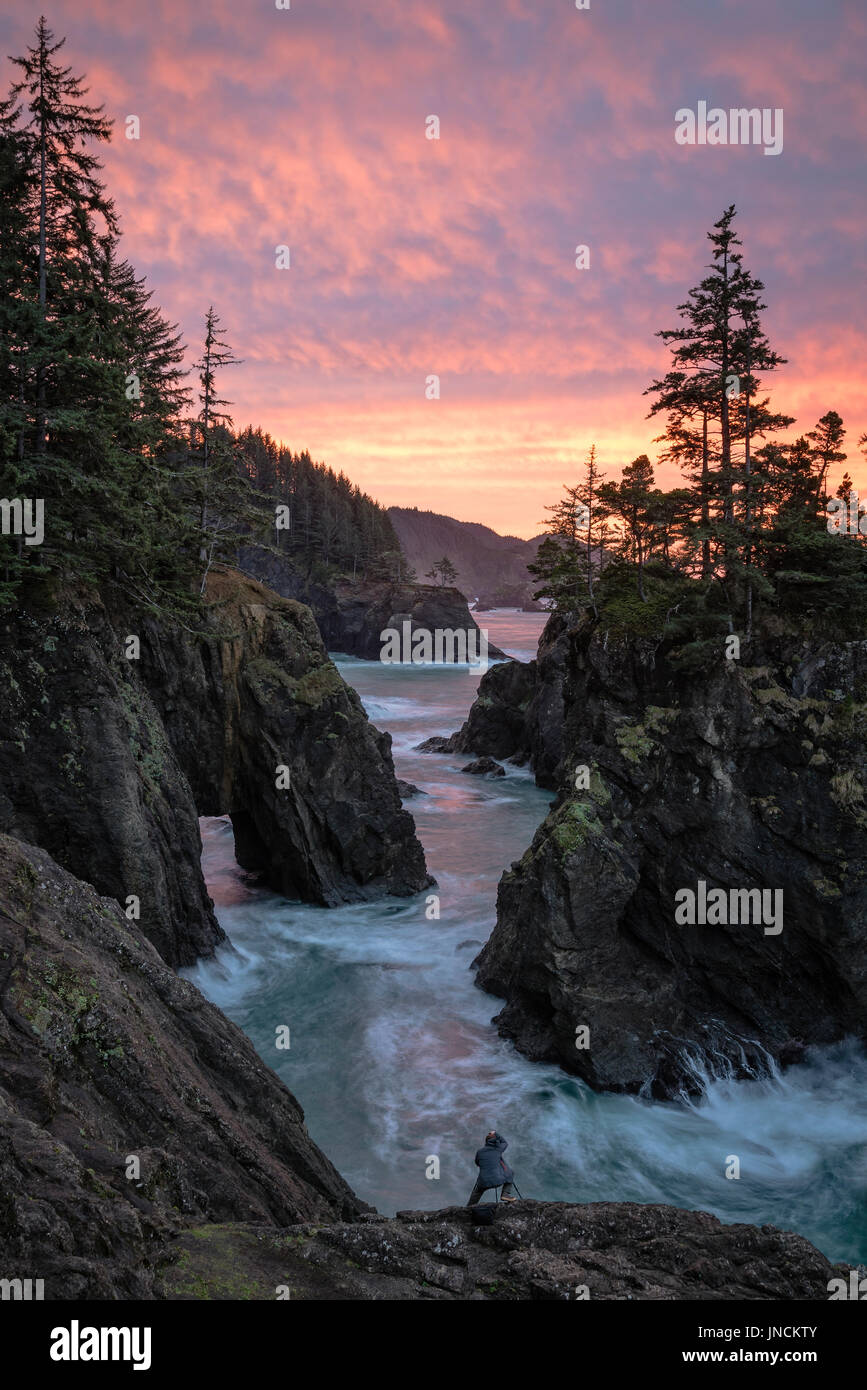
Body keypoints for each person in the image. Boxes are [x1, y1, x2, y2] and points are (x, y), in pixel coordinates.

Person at [466, 1130, 517, 1205]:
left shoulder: (479, 1152)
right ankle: (505, 1194)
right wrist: (496, 1133)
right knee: (511, 1173)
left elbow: (477, 1163)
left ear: (486, 1141)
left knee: (477, 1192)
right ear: (496, 1141)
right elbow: (505, 1143)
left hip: (483, 1181)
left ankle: (469, 1207)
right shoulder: (498, 1149)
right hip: (498, 1180)